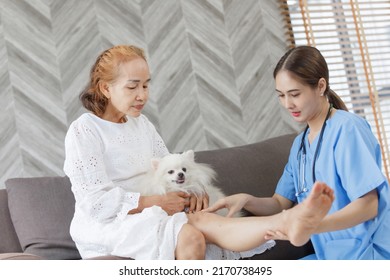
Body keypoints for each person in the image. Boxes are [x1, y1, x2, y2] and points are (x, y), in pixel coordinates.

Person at [63, 44, 335, 260]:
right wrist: (157, 202)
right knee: (192, 236)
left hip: (154, 209)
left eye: (146, 85)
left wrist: (193, 192)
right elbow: (95, 203)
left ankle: (287, 222)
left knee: (205, 220)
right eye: (132, 86)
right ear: (105, 88)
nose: (142, 95)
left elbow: (171, 167)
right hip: (111, 223)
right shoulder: (85, 130)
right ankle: (286, 222)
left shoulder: (142, 124)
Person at [205, 45, 390, 260]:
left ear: (321, 86)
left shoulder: (348, 129)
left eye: (294, 94)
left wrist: (311, 227)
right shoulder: (300, 145)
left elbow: (369, 206)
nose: (287, 104)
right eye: (281, 95)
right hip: (329, 258)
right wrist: (247, 200)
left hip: (370, 256)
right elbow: (279, 203)